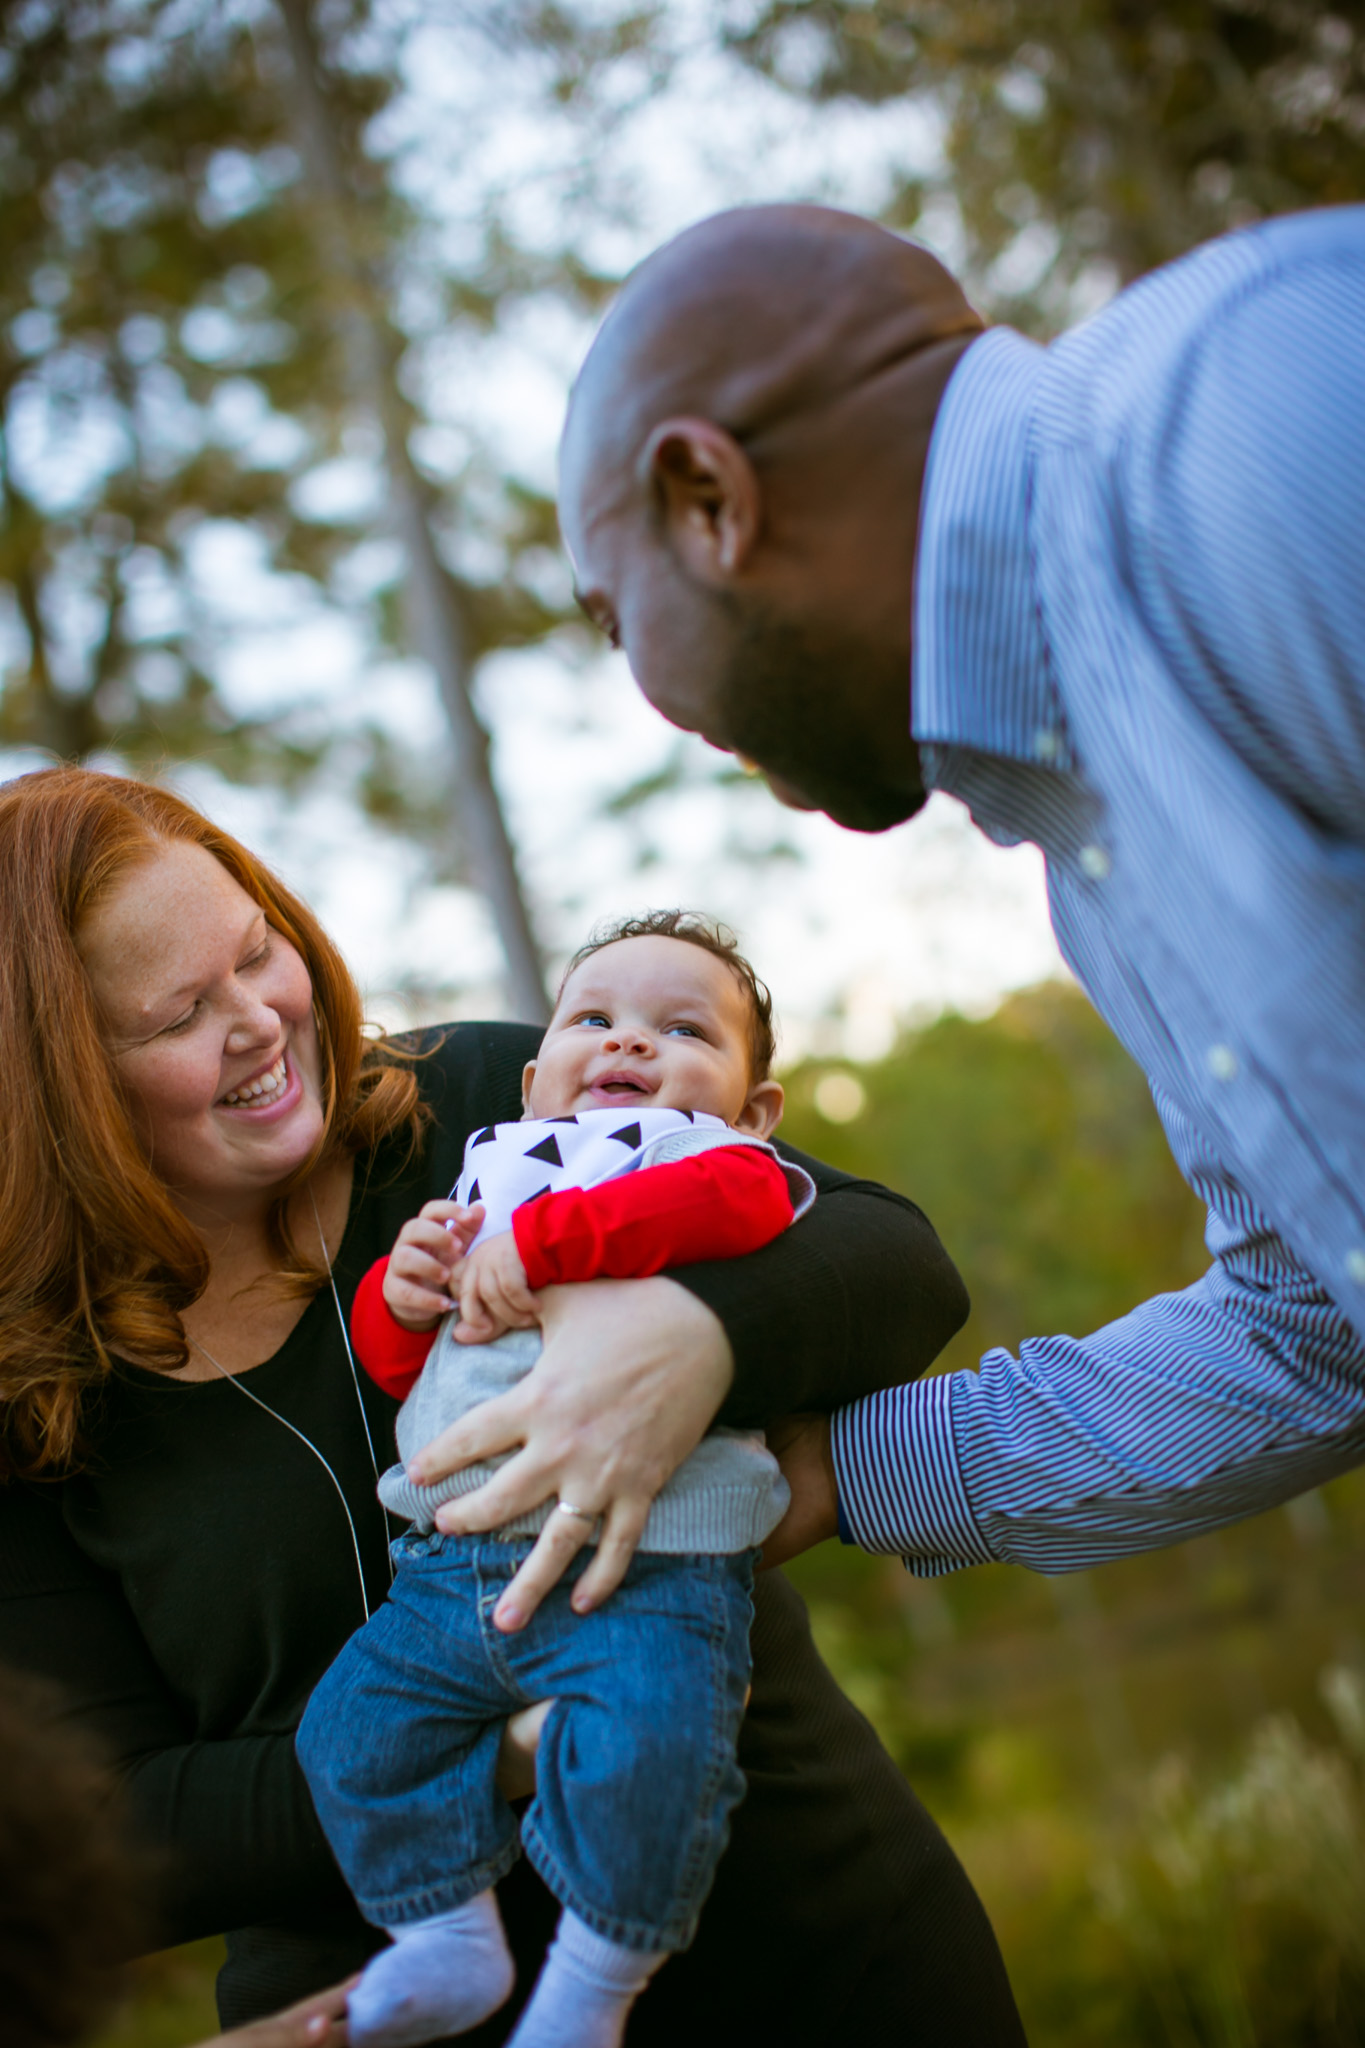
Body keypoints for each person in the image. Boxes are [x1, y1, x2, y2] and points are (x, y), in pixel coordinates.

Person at [0, 764, 1026, 2045]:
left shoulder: (496, 1105)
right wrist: (507, 1744)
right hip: (418, 2005)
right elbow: (106, 1825)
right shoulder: (34, 1392)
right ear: (59, 1081)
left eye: (259, 950)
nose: (261, 1020)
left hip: (810, 1941)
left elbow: (893, 1260)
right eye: (176, 1016)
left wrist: (693, 1338)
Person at [553, 199, 1365, 1585]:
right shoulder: (1095, 857)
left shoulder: (1257, 410)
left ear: (709, 502)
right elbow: (1318, 1326)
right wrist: (823, 1475)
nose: (655, 701)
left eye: (615, 620)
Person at [300, 913, 817, 2048]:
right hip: (447, 1573)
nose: (630, 1044)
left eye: (680, 1028)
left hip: (643, 1564)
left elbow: (746, 1208)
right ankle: (445, 1936)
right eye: (595, 1019)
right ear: (538, 1079)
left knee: (653, 1751)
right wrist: (404, 1286)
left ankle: (591, 1987)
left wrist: (542, 1245)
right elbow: (405, 1373)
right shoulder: (492, 1165)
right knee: (348, 1736)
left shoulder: (704, 1153)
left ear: (753, 1104)